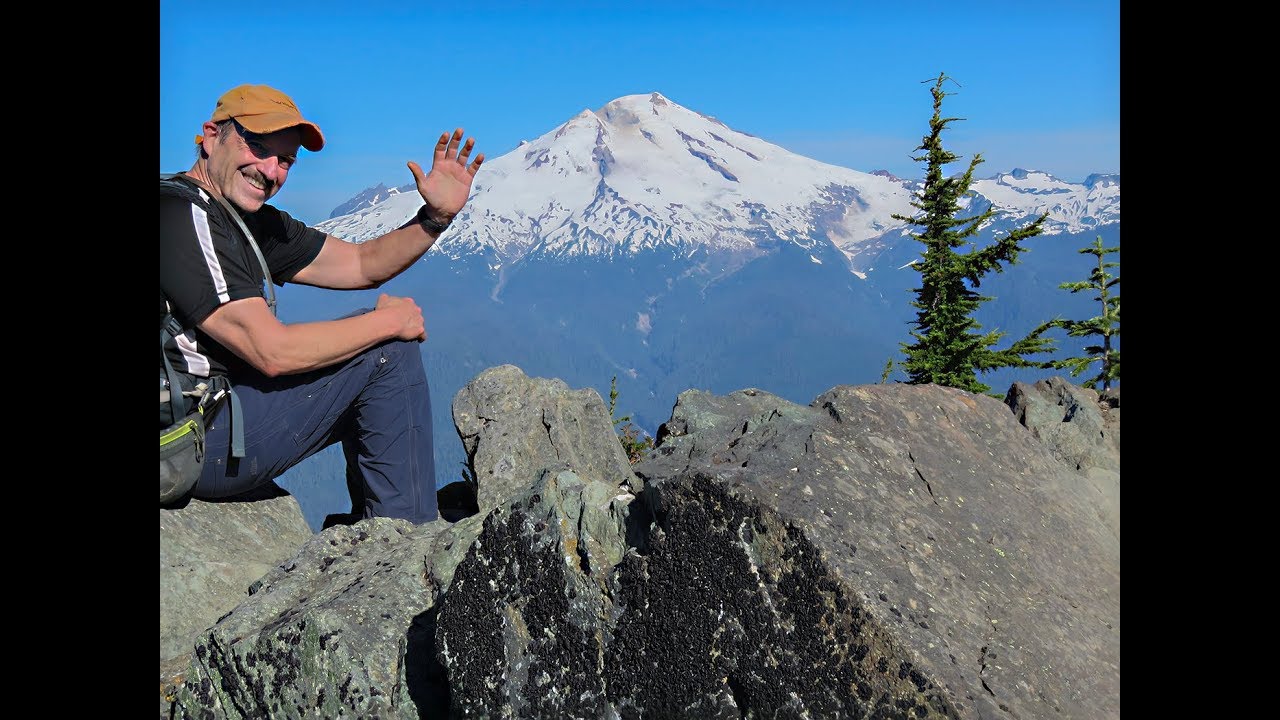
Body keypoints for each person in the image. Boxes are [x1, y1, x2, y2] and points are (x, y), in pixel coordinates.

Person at [160, 84, 484, 524]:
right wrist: (390, 323)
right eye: (257, 146)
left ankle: (385, 533)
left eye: (286, 160)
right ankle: (406, 547)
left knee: (370, 341)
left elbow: (360, 264)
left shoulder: (242, 219)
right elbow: (271, 351)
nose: (270, 171)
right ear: (213, 134)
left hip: (203, 424)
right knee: (387, 353)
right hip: (186, 440)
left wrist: (435, 218)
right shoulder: (181, 216)